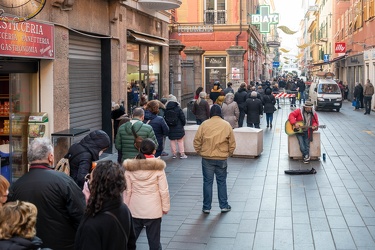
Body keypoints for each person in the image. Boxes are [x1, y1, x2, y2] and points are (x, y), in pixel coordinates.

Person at [8, 138, 85, 250]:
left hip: (29, 245)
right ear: (50, 157)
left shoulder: (16, 185)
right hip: (63, 245)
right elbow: (80, 214)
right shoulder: (63, 181)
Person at [75, 161, 136, 250]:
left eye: (89, 178)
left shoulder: (92, 224)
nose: (88, 182)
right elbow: (131, 244)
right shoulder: (124, 209)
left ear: (97, 185)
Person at [123, 139, 170, 250]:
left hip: (135, 208)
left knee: (130, 240)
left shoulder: (130, 168)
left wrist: (125, 207)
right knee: (154, 241)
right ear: (154, 151)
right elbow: (164, 190)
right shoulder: (158, 168)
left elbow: (127, 191)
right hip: (154, 209)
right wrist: (165, 207)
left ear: (139, 149)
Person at [193, 104, 236, 214]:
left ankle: (206, 207)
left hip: (207, 157)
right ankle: (224, 205)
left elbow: (197, 140)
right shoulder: (226, 125)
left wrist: (200, 151)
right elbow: (232, 143)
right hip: (221, 157)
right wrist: (228, 153)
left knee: (207, 182)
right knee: (221, 182)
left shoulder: (204, 124)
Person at [165, 94, 188, 159]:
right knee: (180, 140)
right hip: (178, 126)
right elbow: (182, 117)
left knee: (172, 140)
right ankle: (182, 153)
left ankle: (174, 154)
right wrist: (183, 124)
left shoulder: (166, 108)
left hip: (170, 127)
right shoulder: (178, 108)